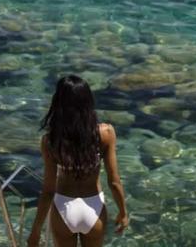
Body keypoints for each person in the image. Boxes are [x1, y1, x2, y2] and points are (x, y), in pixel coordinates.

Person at [27, 75, 128, 247]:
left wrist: (36, 231)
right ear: (88, 101)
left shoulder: (51, 141)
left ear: (58, 103)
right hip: (94, 207)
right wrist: (123, 213)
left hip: (64, 208)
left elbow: (48, 191)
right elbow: (114, 181)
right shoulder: (105, 133)